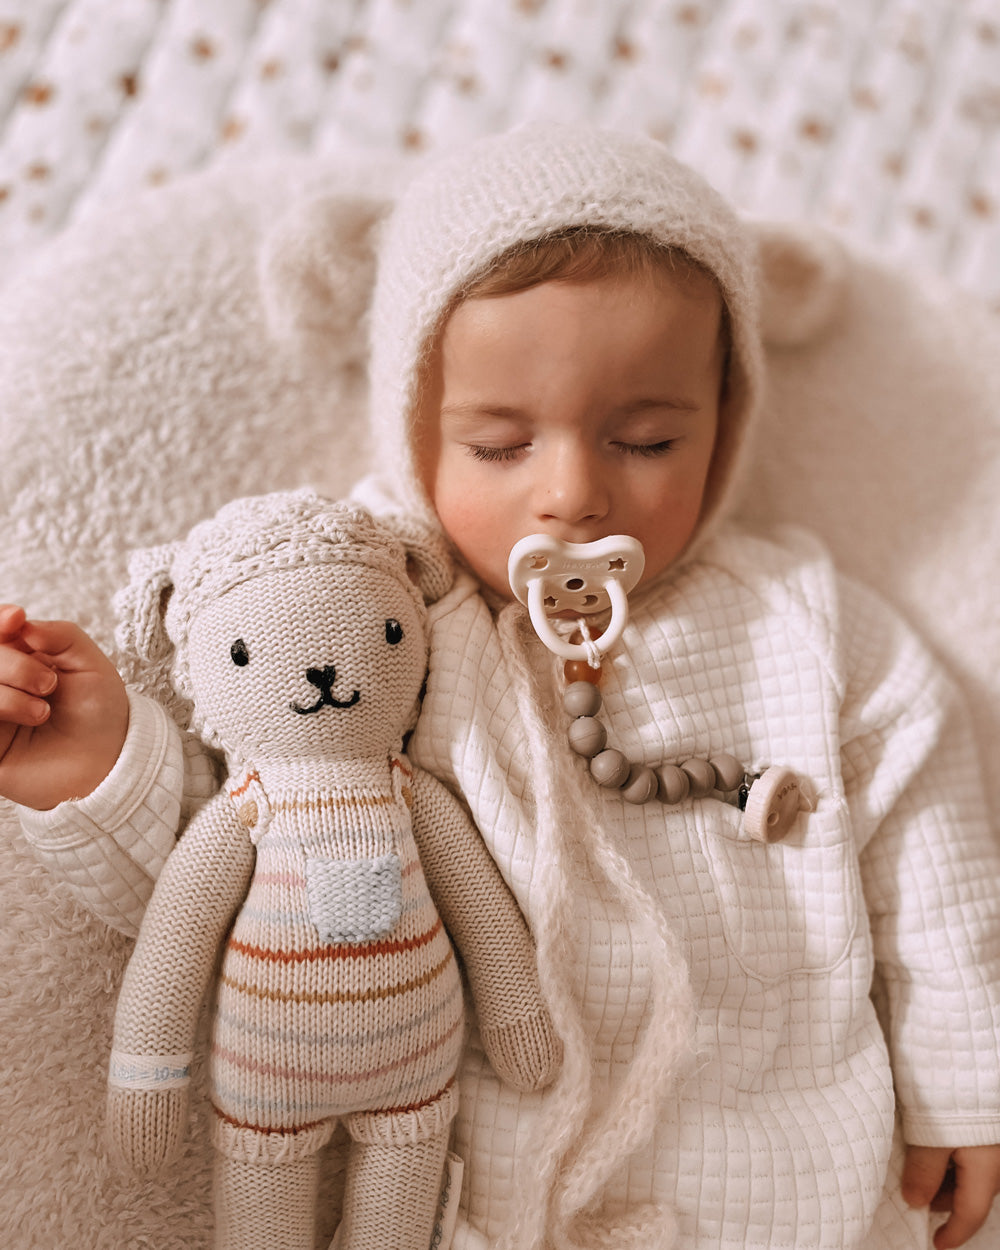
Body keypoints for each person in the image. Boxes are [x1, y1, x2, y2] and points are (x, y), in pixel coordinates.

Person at [2, 124, 1000, 1250]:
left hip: (786, 1156)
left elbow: (932, 845)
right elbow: (247, 861)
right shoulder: (382, 616)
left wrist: (959, 1070)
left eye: (648, 437)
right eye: (497, 444)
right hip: (486, 1182)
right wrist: (92, 761)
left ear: (726, 428)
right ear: (414, 425)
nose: (573, 493)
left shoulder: (804, 621)